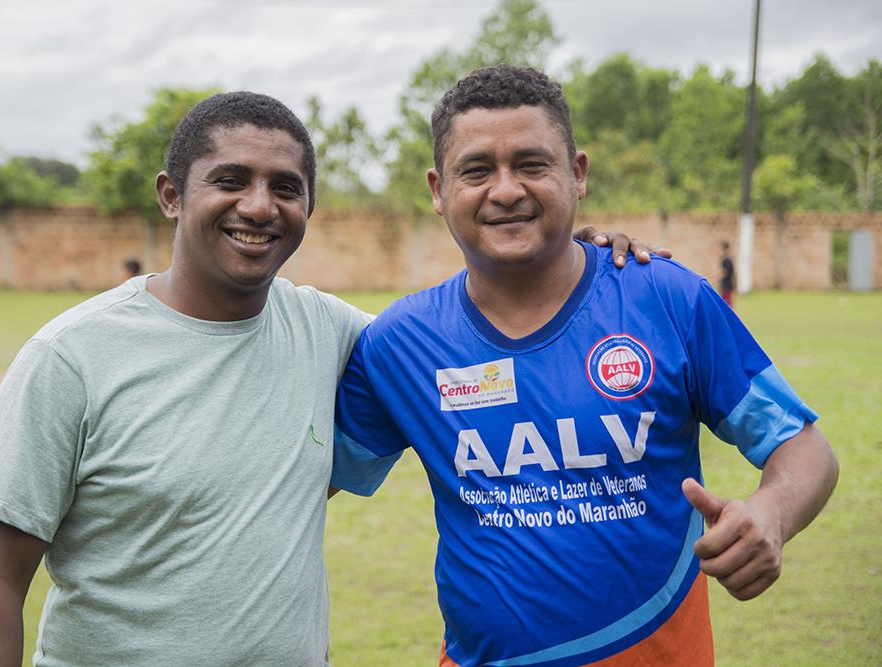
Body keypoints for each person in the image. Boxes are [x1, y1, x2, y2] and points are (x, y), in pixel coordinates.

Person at [0, 91, 652, 666]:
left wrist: (570, 259)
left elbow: (469, 338)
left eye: (286, 188)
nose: (259, 206)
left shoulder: (336, 334)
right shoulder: (71, 356)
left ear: (308, 208)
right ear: (171, 194)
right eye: (230, 180)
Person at [330, 65, 838, 667]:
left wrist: (771, 514)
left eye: (532, 164)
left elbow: (805, 449)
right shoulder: (398, 344)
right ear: (439, 190)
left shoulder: (667, 299)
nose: (506, 189)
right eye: (477, 170)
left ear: (577, 174)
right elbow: (303, 485)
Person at [719, 240, 735, 307]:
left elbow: (725, 272)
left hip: (727, 285)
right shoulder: (726, 260)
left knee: (726, 304)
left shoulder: (727, 260)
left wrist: (714, 278)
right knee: (725, 303)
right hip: (725, 285)